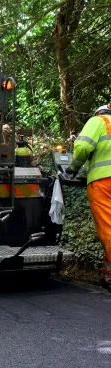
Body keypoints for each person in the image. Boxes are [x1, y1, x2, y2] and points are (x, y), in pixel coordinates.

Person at [66, 103, 111, 290]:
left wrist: (73, 168)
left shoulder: (98, 121)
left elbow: (83, 146)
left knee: (108, 229)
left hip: (104, 184)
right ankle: (108, 274)